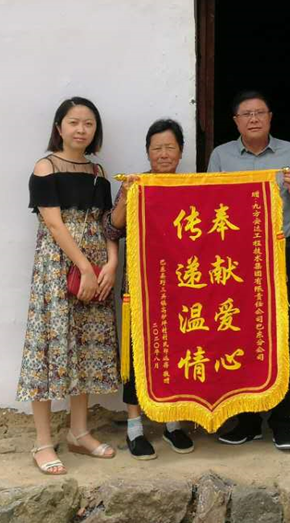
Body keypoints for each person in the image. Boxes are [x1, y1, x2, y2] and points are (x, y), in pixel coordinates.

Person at [206, 90, 290, 452]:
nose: (253, 119)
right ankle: (249, 420)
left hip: (283, 251)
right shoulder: (221, 156)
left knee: (283, 336)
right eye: (246, 114)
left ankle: (283, 422)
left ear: (270, 117)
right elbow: (207, 204)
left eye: (259, 113)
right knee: (241, 334)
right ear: (235, 121)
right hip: (236, 259)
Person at [17, 97, 120, 474]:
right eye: (74, 122)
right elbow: (54, 223)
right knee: (48, 349)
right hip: (58, 268)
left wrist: (111, 263)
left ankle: (79, 432)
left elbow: (107, 222)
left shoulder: (98, 170)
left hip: (96, 265)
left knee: (86, 347)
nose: (81, 129)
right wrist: (85, 267)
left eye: (88, 123)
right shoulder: (45, 167)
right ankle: (43, 443)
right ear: (59, 127)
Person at [105, 118, 196, 460]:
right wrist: (126, 198)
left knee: (178, 351)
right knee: (136, 354)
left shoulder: (192, 186)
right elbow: (112, 230)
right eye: (157, 148)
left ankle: (172, 423)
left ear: (181, 152)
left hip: (182, 284)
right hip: (141, 285)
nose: (163, 154)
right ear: (147, 152)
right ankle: (135, 428)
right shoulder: (136, 184)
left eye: (170, 147)